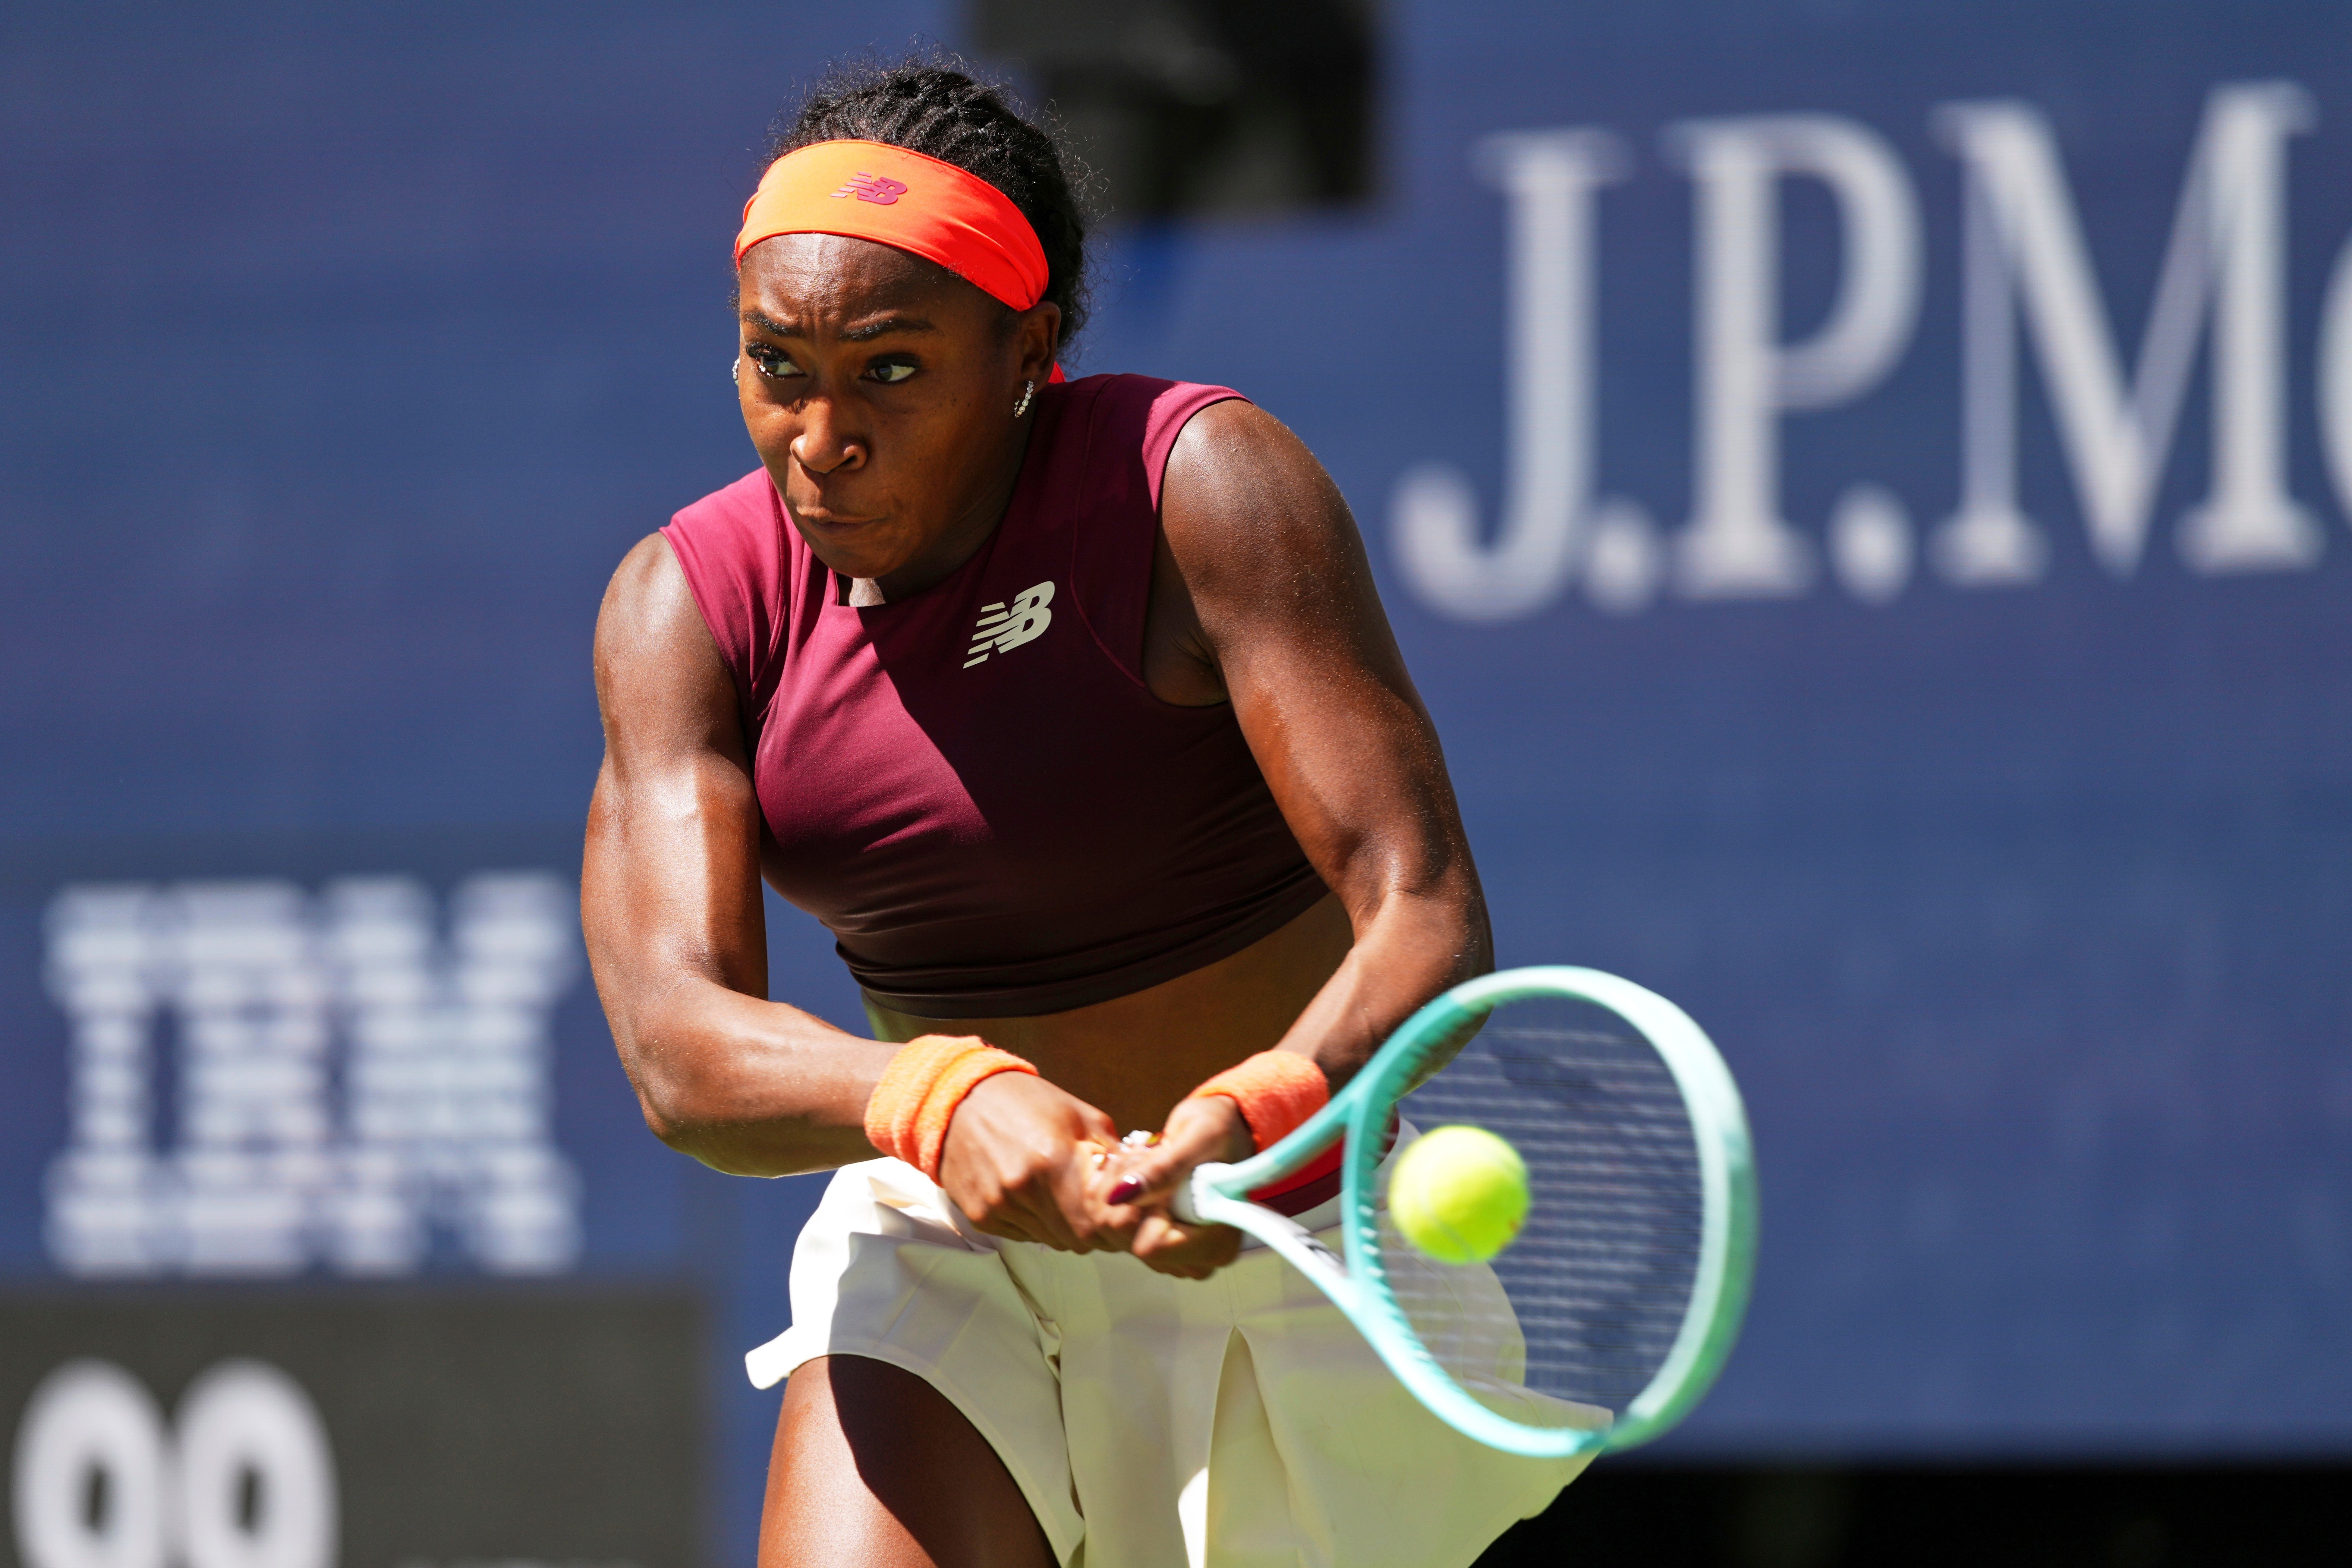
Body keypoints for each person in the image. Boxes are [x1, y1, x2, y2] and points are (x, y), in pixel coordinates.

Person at [584, 57, 1589, 1568]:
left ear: (1025, 353)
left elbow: (1426, 909)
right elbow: (677, 1042)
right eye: (775, 364)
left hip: (1280, 1227)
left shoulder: (1202, 485)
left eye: (892, 369)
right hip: (953, 1235)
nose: (819, 431)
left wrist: (1261, 1107)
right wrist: (937, 1096)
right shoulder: (689, 605)